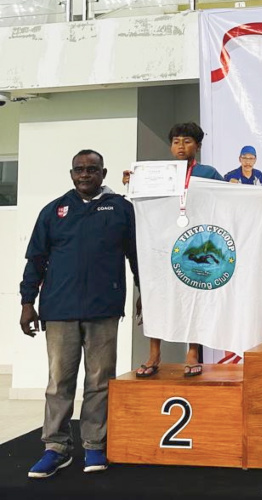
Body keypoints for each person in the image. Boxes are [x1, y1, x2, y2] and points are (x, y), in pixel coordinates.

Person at [20, 149, 139, 478]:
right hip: (59, 309)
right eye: (79, 169)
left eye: (92, 169)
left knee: (99, 381)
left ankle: (94, 444)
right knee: (59, 382)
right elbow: (36, 259)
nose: (85, 174)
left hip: (104, 309)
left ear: (103, 173)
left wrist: (145, 292)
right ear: (71, 174)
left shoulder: (120, 209)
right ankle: (55, 448)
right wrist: (27, 302)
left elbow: (136, 255)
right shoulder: (54, 211)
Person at [123, 122, 221, 377]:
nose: (181, 146)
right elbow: (147, 204)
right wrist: (132, 183)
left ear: (198, 146)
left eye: (187, 141)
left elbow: (226, 199)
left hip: (195, 242)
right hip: (162, 243)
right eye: (176, 142)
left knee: (194, 296)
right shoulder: (159, 173)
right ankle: (154, 354)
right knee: (157, 297)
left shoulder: (208, 173)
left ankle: (192, 353)